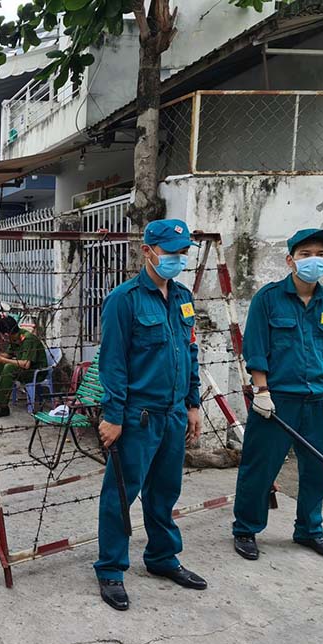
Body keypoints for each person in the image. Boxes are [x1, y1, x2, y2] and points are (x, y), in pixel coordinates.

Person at [94, 218, 204, 612]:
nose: (177, 260)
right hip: (137, 416)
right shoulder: (124, 300)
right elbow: (113, 362)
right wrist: (113, 415)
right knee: (121, 495)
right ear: (148, 252)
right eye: (170, 253)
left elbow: (189, 352)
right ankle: (110, 569)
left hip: (174, 414)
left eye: (182, 254)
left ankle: (162, 558)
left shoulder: (182, 297)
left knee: (164, 493)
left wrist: (193, 404)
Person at [232, 228, 323, 562]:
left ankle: (310, 530)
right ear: (290, 260)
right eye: (306, 254)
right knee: (260, 467)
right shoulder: (268, 299)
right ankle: (246, 529)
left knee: (317, 470)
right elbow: (256, 349)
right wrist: (262, 391)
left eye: (321, 254)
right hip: (277, 401)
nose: (315, 260)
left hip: (318, 401)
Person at [0, 316, 48, 418]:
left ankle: (2, 406)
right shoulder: (14, 337)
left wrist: (3, 360)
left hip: (36, 372)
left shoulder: (28, 339)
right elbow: (9, 354)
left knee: (9, 367)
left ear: (6, 334)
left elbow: (26, 364)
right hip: (21, 369)